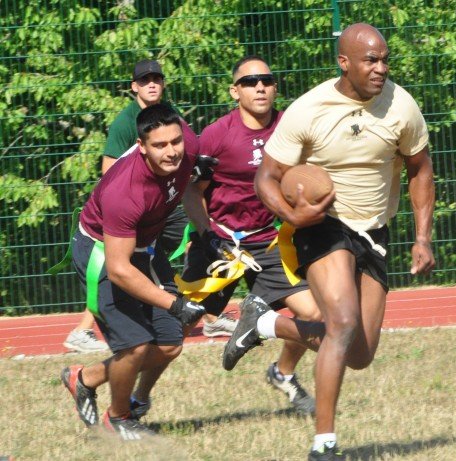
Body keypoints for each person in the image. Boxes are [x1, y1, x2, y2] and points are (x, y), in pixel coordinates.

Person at [225, 23, 436, 460]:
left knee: (359, 354)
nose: (380, 68)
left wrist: (422, 237)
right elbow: (267, 177)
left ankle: (266, 324)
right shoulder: (309, 109)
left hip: (374, 231)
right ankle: (324, 444)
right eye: (370, 60)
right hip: (323, 226)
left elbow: (420, 168)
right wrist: (293, 215)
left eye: (384, 60)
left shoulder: (402, 106)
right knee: (340, 322)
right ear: (345, 62)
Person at [62, 60, 235, 353]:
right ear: (134, 87)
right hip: (131, 209)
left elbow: (185, 159)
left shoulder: (171, 118)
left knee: (201, 241)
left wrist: (192, 168)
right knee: (121, 277)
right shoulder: (125, 122)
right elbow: (110, 172)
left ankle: (206, 314)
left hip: (161, 205)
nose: (151, 84)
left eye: (156, 78)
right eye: (144, 80)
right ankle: (84, 328)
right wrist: (138, 199)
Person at [181, 55, 320, 414]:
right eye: (249, 81)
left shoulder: (290, 127)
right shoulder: (216, 135)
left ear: (275, 87)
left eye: (267, 80)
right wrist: (204, 232)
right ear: (234, 91)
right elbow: (192, 191)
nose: (260, 86)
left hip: (268, 240)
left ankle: (283, 374)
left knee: (315, 316)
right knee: (174, 328)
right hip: (220, 241)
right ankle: (131, 402)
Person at [61, 104, 207, 439]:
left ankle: (84, 378)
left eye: (175, 142)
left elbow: (190, 180)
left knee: (170, 344)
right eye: (159, 145)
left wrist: (207, 233)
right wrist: (176, 304)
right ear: (141, 146)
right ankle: (119, 418)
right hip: (104, 254)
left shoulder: (187, 147)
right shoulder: (125, 191)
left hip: (145, 247)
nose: (171, 151)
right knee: (136, 346)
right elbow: (119, 269)